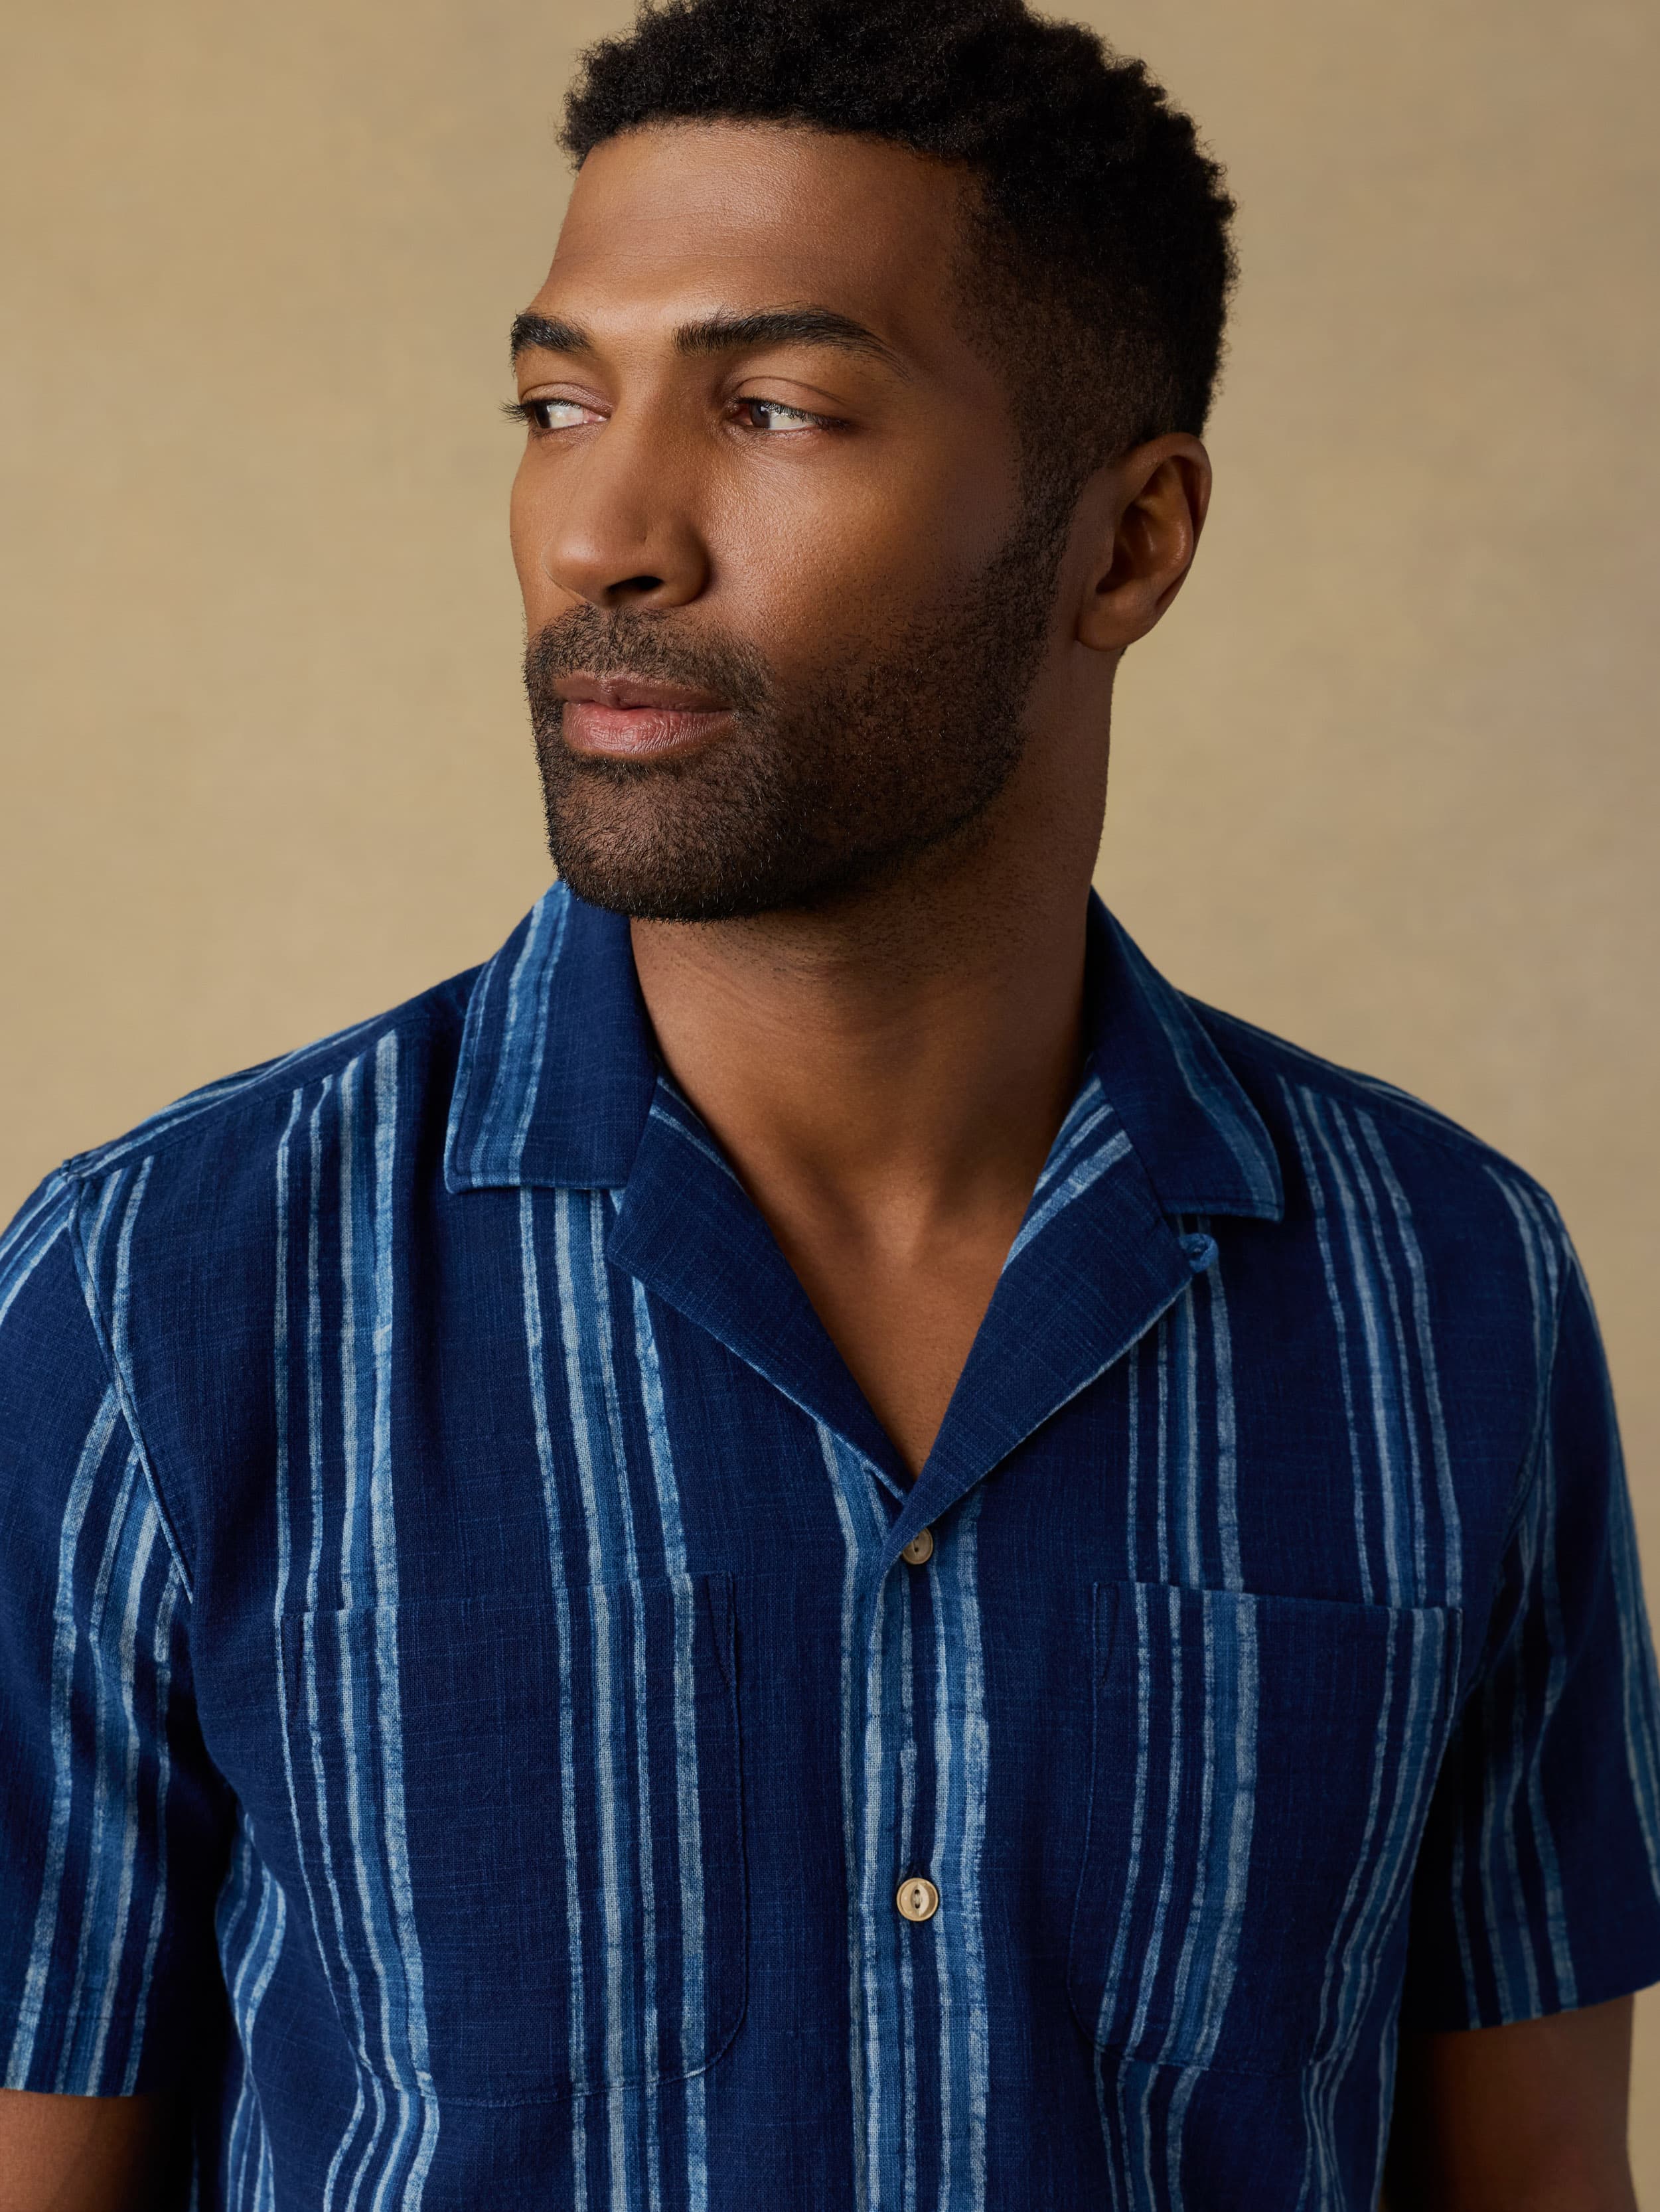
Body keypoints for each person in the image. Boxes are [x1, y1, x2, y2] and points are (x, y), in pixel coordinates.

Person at [3, 0, 1657, 2203]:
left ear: (1129, 545)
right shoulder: (157, 1297)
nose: (604, 531)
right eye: (554, 403)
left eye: (773, 408)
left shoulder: (1441, 1295)